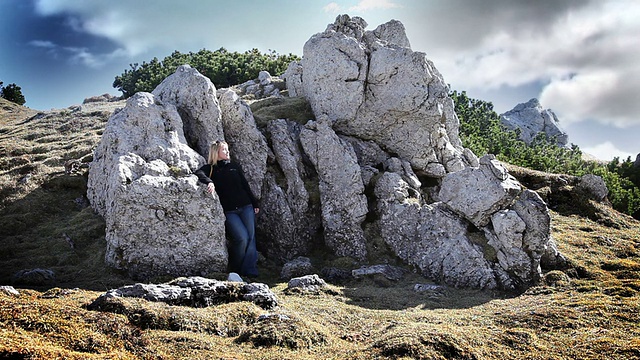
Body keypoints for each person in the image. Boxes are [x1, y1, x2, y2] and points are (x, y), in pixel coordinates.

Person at [195, 140, 259, 278]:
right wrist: (210, 182)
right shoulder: (210, 168)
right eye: (224, 150)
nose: (227, 152)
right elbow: (198, 173)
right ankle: (236, 269)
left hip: (246, 206)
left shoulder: (234, 166)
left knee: (251, 238)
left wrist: (255, 204)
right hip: (229, 211)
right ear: (216, 152)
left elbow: (245, 185)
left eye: (227, 149)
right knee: (242, 238)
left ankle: (249, 270)